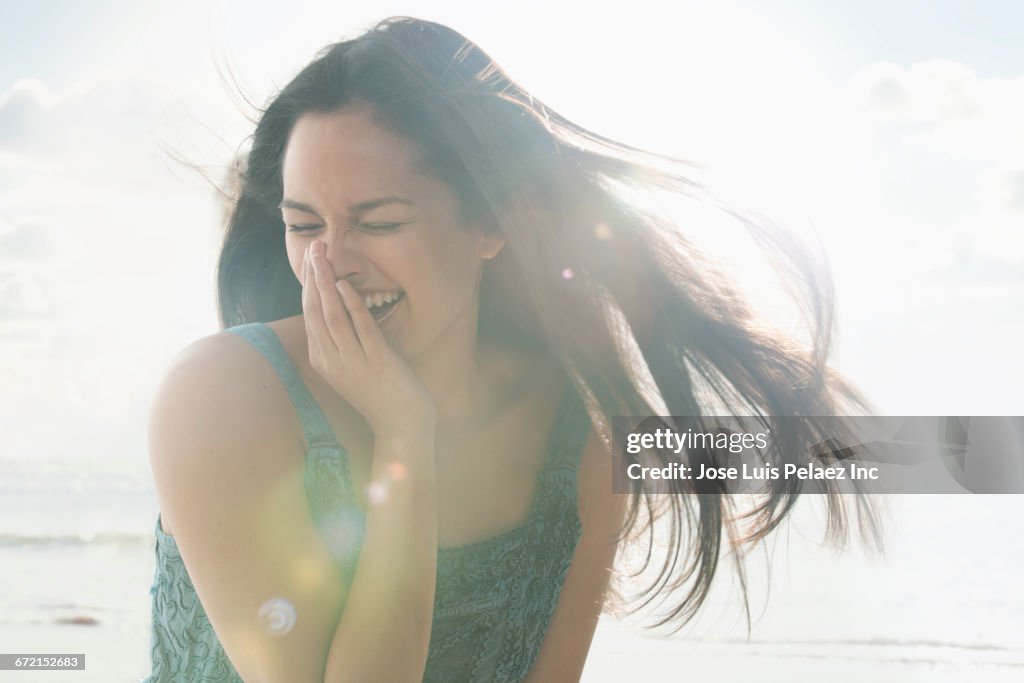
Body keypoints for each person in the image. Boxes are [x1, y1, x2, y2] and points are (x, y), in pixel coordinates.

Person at [144, 16, 881, 683]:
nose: (327, 264)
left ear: (487, 226)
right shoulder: (224, 395)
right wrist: (405, 435)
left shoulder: (573, 452)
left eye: (378, 223)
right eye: (305, 225)